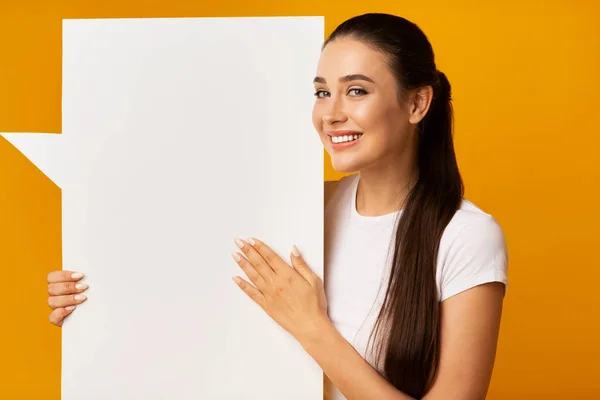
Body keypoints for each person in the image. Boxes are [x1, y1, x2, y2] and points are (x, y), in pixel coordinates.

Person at [46, 12, 508, 400]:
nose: (330, 113)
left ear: (417, 103)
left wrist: (312, 328)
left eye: (357, 90)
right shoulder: (301, 206)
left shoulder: (465, 235)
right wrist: (96, 295)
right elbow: (187, 291)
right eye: (322, 91)